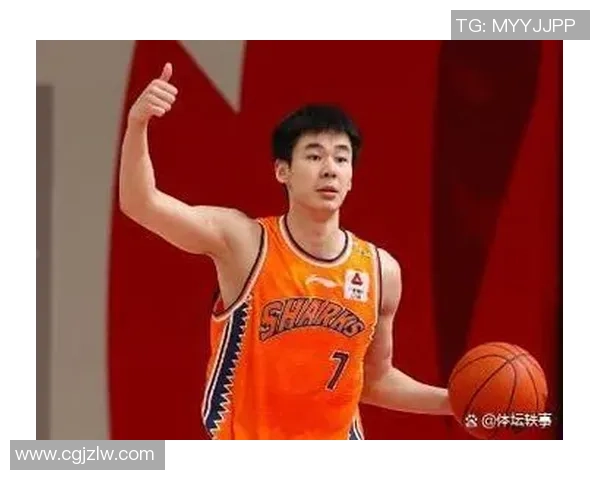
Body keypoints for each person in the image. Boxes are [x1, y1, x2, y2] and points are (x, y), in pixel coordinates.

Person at [119, 62, 452, 440]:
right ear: (283, 171)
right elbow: (141, 203)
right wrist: (138, 124)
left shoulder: (381, 271)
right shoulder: (245, 244)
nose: (330, 169)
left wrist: (453, 401)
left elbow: (375, 381)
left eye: (341, 158)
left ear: (351, 177)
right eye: (314, 156)